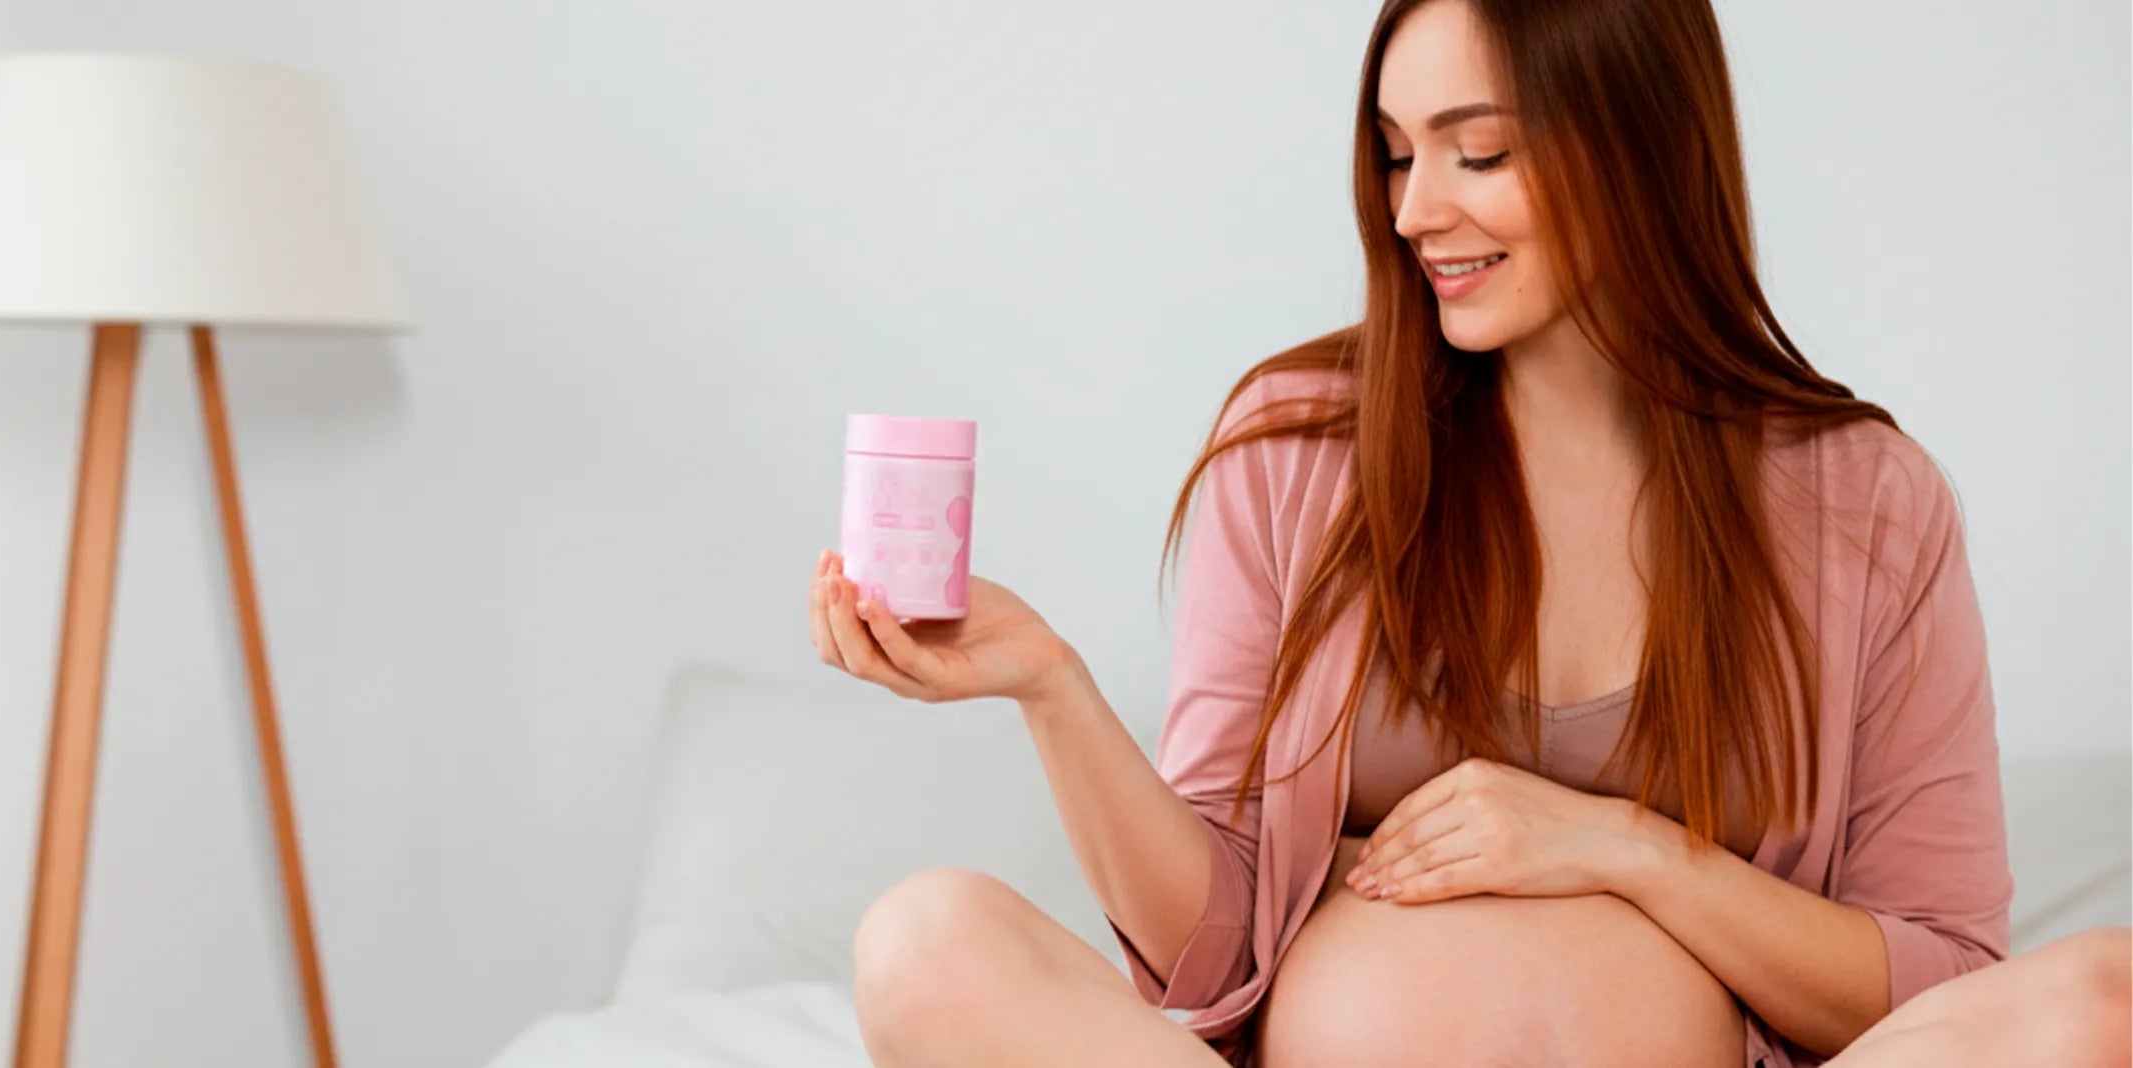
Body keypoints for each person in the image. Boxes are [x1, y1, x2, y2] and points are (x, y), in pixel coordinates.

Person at [801, 0, 2132, 1064]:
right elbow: (1206, 960)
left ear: (1641, 144)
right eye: (1396, 151)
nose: (1412, 209)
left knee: (2108, 1002)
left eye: (1475, 151)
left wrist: (1621, 849)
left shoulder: (1868, 498)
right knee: (927, 940)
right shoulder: (1301, 447)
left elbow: (1945, 985)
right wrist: (1052, 688)